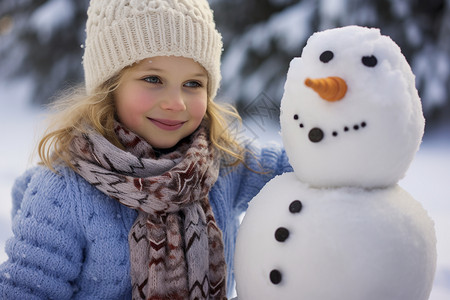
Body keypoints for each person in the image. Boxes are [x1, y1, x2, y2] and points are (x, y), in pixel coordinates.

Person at [0, 0, 292, 299]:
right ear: (110, 86)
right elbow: (27, 288)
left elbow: (314, 166)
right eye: (153, 79)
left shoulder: (224, 163)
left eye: (192, 84)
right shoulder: (63, 191)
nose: (176, 103)